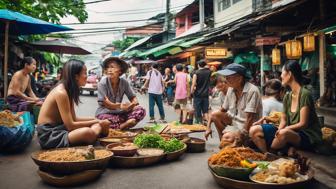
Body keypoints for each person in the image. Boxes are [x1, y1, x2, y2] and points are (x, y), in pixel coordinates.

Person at [249, 60, 322, 153]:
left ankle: (270, 155)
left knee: (284, 133)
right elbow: (283, 120)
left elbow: (303, 124)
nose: (281, 76)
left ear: (290, 74)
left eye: (283, 72)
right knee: (254, 130)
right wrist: (277, 132)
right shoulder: (287, 96)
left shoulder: (305, 94)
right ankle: (269, 154)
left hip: (307, 135)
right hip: (290, 132)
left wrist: (285, 129)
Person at [37, 59, 111, 149]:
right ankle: (93, 136)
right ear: (76, 76)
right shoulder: (61, 92)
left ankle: (93, 136)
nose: (87, 76)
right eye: (85, 73)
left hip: (61, 128)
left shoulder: (68, 90)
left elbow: (74, 119)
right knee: (88, 132)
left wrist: (96, 120)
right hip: (50, 134)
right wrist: (97, 121)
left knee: (96, 126)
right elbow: (70, 126)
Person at [205, 63, 262, 145]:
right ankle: (224, 142)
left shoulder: (252, 90)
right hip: (234, 123)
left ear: (239, 78)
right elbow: (221, 110)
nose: (226, 80)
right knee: (215, 115)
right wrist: (208, 127)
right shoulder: (231, 90)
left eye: (229, 78)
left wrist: (242, 135)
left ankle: (235, 141)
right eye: (226, 78)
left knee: (228, 138)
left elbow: (250, 118)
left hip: (249, 126)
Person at [95, 57, 145, 129]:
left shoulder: (124, 82)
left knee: (140, 110)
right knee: (106, 121)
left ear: (120, 71)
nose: (109, 70)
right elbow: (106, 104)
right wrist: (120, 106)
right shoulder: (102, 83)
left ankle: (119, 125)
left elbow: (133, 97)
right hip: (105, 113)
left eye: (112, 67)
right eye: (108, 67)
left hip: (119, 113)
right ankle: (123, 125)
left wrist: (132, 104)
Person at [205, 74, 229, 139]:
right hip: (228, 116)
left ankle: (223, 138)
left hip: (235, 117)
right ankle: (222, 141)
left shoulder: (230, 91)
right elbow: (222, 110)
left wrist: (208, 126)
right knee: (215, 117)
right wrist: (208, 126)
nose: (218, 85)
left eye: (220, 83)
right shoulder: (221, 94)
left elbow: (222, 110)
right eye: (216, 84)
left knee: (214, 115)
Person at [191, 59, 211, 124]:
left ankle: (199, 123)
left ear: (198, 65)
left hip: (197, 94)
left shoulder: (196, 73)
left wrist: (191, 92)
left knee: (197, 110)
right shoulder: (209, 72)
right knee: (205, 110)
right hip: (206, 94)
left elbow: (193, 83)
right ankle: (208, 123)